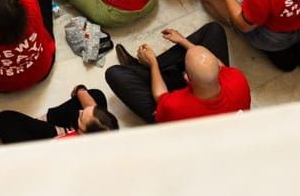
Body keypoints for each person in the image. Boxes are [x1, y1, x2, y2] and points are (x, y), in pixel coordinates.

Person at [105, 23, 250, 123]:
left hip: (179, 119)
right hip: (199, 94)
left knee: (115, 74)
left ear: (187, 77)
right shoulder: (238, 79)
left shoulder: (175, 107)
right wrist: (182, 41)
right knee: (214, 30)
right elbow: (218, 63)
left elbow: (160, 96)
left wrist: (153, 63)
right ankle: (158, 67)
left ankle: (142, 68)